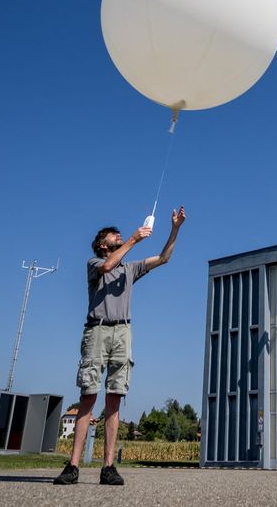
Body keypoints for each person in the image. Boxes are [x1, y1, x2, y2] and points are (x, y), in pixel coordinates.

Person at [54, 206, 186, 486]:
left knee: (114, 398)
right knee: (88, 396)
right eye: (115, 235)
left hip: (123, 331)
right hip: (97, 331)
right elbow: (106, 266)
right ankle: (73, 466)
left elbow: (164, 258)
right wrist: (134, 240)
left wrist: (175, 229)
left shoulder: (130, 268)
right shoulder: (94, 263)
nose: (119, 235)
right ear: (104, 244)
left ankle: (108, 467)